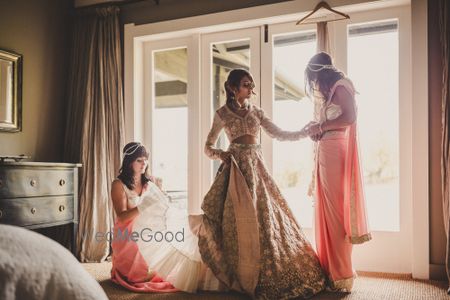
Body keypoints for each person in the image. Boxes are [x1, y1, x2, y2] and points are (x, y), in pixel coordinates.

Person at [193, 68, 326, 299]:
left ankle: (264, 272)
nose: (251, 89)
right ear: (233, 88)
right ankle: (240, 273)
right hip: (235, 171)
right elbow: (207, 147)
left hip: (256, 168)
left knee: (266, 217)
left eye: (252, 85)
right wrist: (221, 154)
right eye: (246, 84)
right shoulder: (222, 114)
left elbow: (279, 133)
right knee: (235, 222)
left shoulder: (257, 112)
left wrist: (303, 132)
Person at [110, 142, 221, 293]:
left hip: (148, 224)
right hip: (127, 232)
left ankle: (196, 225)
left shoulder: (149, 183)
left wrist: (161, 196)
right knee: (138, 275)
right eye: (139, 160)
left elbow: (161, 206)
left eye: (145, 160)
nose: (144, 164)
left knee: (178, 230)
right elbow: (122, 218)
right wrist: (143, 206)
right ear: (129, 161)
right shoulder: (118, 184)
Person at [303, 52, 371, 292]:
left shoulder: (342, 86)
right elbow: (333, 122)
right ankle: (330, 270)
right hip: (325, 151)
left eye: (314, 79)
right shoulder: (330, 93)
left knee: (335, 214)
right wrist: (317, 129)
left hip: (336, 153)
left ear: (321, 72)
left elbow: (349, 117)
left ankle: (341, 273)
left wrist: (321, 126)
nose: (314, 85)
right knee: (324, 210)